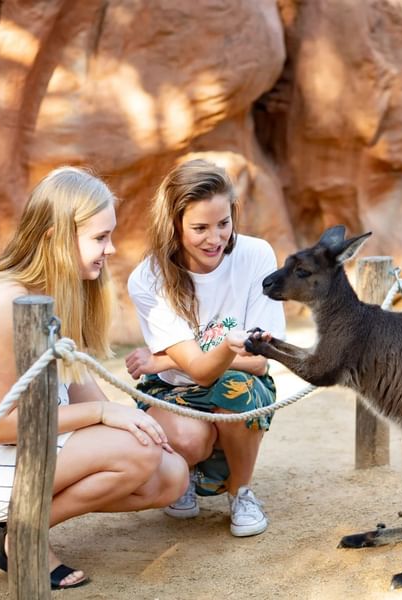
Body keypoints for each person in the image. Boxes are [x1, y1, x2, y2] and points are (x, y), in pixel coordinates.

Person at [0, 167, 189, 590]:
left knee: (171, 473)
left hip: (33, 438)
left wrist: (130, 419)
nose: (110, 249)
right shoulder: (3, 301)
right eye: (99, 237)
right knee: (136, 455)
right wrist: (105, 415)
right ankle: (23, 533)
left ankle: (22, 524)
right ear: (54, 235)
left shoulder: (64, 288)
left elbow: (77, 384)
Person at [125, 158, 285, 537]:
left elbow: (262, 363)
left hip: (235, 389)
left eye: (223, 223)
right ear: (174, 226)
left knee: (236, 386)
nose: (215, 239)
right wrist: (230, 349)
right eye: (199, 228)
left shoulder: (257, 255)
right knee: (190, 439)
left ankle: (241, 491)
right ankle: (189, 474)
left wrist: (162, 359)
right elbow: (195, 371)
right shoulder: (148, 277)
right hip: (175, 390)